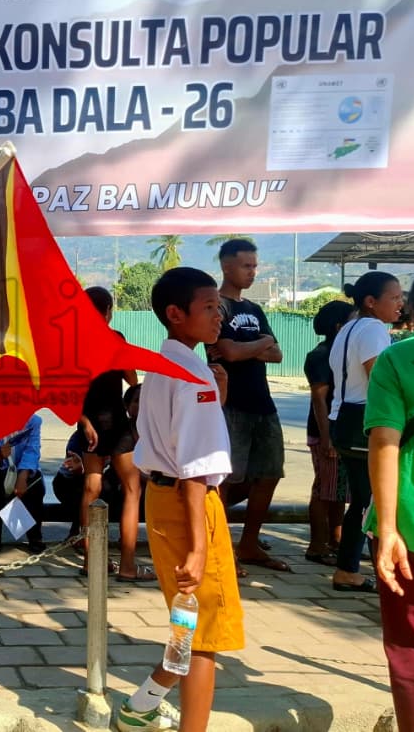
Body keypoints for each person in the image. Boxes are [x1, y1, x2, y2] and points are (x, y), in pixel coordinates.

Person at [119, 267, 244, 732]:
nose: (219, 317)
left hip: (163, 497)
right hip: (190, 503)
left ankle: (142, 704)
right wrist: (198, 546)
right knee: (205, 637)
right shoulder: (195, 376)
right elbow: (195, 467)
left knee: (189, 626)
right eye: (209, 307)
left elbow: (166, 440)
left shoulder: (163, 367)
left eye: (220, 307)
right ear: (176, 314)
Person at [366, 267, 414, 730]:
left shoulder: (397, 358)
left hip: (412, 530)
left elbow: (384, 443)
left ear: (412, 307)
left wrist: (387, 528)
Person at [207, 239, 287, 575]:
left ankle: (250, 543)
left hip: (263, 403)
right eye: (246, 266)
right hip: (230, 405)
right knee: (225, 479)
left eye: (255, 266)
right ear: (227, 266)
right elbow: (227, 351)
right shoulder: (217, 307)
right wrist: (258, 345)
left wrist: (247, 348)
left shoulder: (254, 309)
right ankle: (220, 548)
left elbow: (277, 353)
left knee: (269, 473)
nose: (252, 272)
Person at [328, 271, 403, 592]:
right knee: (373, 501)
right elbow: (380, 380)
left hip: (341, 419)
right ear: (372, 302)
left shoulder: (349, 327)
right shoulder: (373, 329)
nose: (401, 304)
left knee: (362, 498)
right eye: (395, 298)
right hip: (362, 422)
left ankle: (349, 569)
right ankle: (359, 569)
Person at [77, 286, 151, 582]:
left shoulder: (72, 342)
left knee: (90, 489)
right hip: (117, 424)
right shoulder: (116, 339)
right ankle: (128, 566)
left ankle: (91, 562)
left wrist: (83, 421)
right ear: (108, 311)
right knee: (132, 491)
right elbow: (132, 380)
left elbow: (65, 392)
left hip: (89, 424)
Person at [302, 300, 353, 567]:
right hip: (326, 434)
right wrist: (327, 438)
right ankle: (316, 545)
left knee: (337, 491)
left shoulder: (340, 352)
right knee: (324, 490)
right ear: (339, 326)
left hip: (337, 433)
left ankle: (335, 541)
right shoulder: (322, 355)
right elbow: (319, 400)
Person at [0, 414, 46, 554]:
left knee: (36, 483)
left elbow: (32, 450)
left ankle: (35, 536)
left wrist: (22, 476)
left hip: (23, 470)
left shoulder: (33, 421)